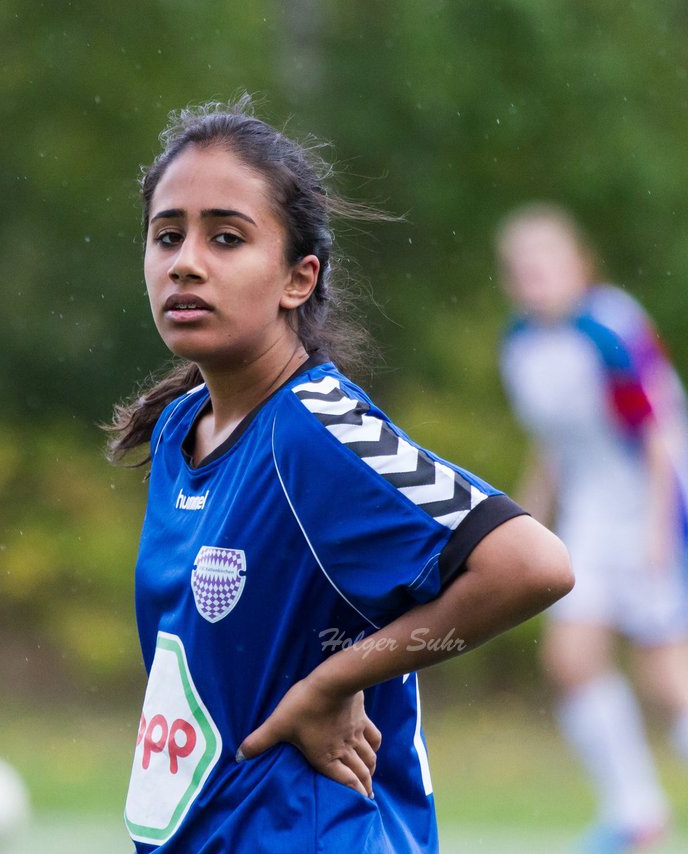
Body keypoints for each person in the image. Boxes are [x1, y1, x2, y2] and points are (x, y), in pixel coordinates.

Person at [104, 95, 574, 853]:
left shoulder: (314, 431)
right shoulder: (177, 429)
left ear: (299, 278)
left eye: (226, 237)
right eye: (167, 236)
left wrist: (334, 681)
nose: (186, 260)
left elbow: (531, 566)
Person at [497, 203, 688, 852]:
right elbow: (552, 449)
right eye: (521, 269)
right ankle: (635, 813)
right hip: (591, 522)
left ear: (579, 267)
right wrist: (522, 523)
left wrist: (655, 537)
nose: (534, 278)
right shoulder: (522, 346)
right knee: (572, 659)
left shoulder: (610, 329)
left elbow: (659, 438)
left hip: (659, 510)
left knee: (669, 681)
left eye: (547, 263)